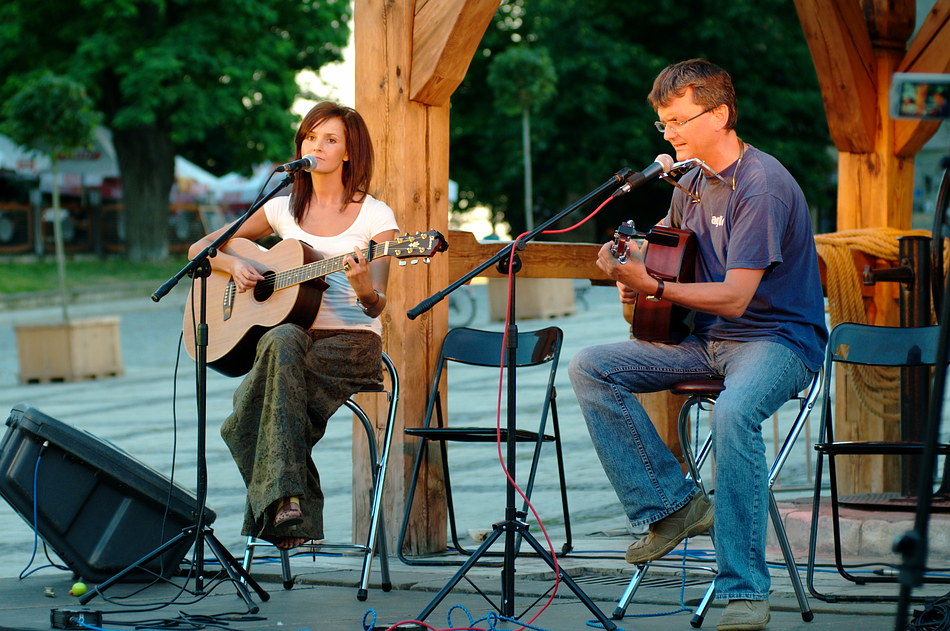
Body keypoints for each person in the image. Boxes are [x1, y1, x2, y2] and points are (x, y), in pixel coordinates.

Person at [568, 59, 827, 631]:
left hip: (777, 340)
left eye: (679, 121)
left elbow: (737, 298)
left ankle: (743, 592)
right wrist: (627, 259)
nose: (669, 135)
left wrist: (652, 285)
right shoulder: (689, 184)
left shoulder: (761, 185)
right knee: (591, 365)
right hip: (708, 342)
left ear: (720, 115)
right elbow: (665, 252)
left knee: (734, 414)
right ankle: (674, 506)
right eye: (663, 125)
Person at [188, 101, 398, 551]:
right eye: (309, 136)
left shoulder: (376, 216)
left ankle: (285, 507)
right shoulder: (283, 207)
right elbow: (199, 248)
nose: (316, 146)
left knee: (244, 419)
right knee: (282, 338)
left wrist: (362, 286)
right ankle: (287, 507)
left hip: (349, 344)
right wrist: (234, 265)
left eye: (330, 139)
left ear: (348, 153)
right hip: (289, 343)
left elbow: (376, 307)